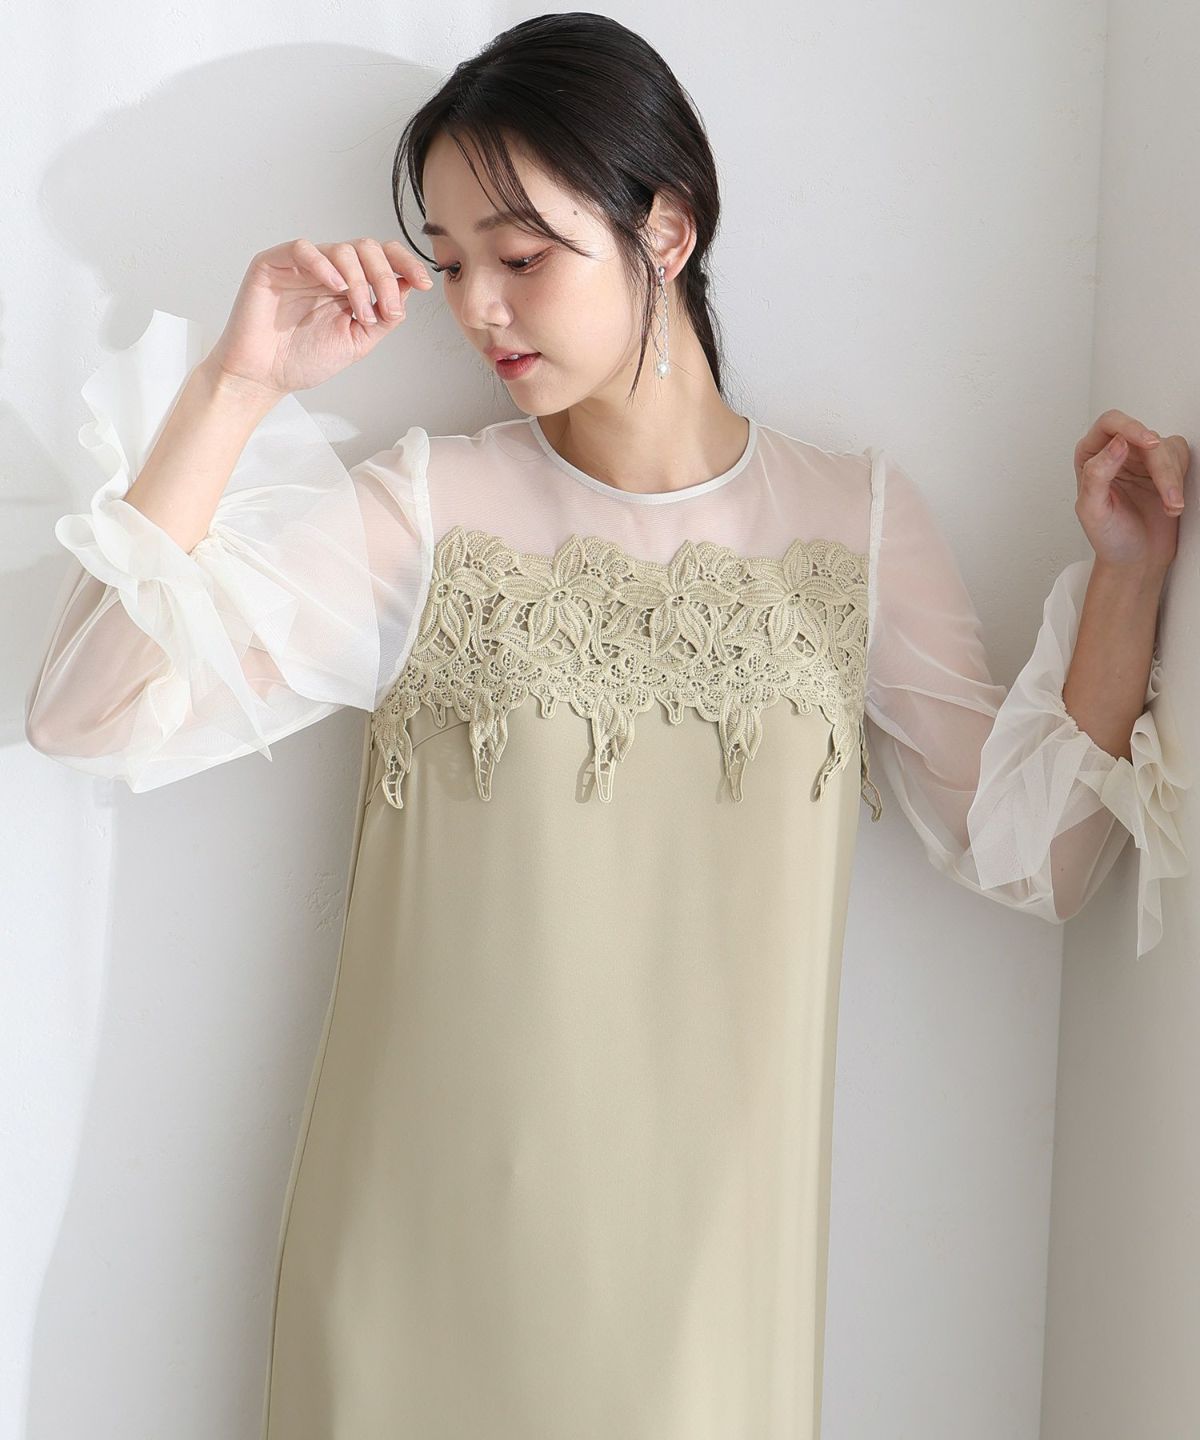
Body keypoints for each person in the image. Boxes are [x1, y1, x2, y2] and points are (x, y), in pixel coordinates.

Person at [23, 13, 1190, 1439]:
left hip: (704, 1303)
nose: (479, 307)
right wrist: (237, 386)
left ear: (668, 231)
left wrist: (1129, 579)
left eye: (523, 257)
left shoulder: (852, 522)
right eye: (451, 261)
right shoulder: (426, 510)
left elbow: (1041, 859)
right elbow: (85, 714)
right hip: (416, 1269)